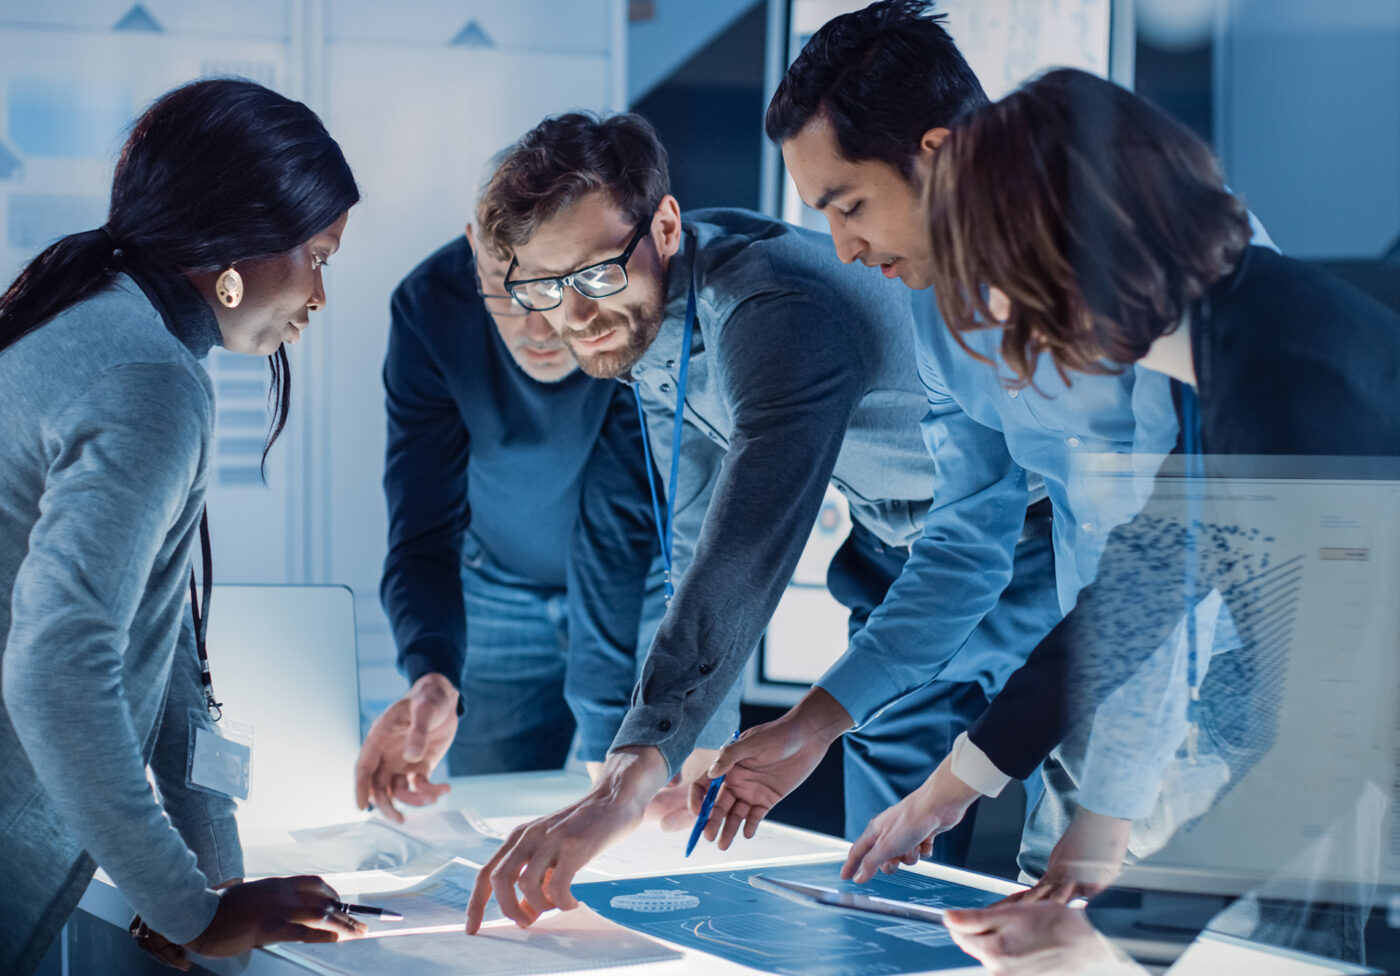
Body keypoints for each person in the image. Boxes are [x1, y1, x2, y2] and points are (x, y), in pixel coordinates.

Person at [690, 0, 1253, 886]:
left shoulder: (1151, 254)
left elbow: (1172, 565)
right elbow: (960, 548)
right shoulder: (933, 306)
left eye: (850, 207)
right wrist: (816, 722)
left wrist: (977, 782)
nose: (842, 250)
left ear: (938, 154)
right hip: (1088, 688)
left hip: (1246, 689)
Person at [462, 108, 1056, 932]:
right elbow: (697, 526)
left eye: (595, 274)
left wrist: (632, 771)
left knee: (1066, 852)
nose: (574, 316)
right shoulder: (641, 316)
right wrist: (696, 738)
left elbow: (748, 543)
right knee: (880, 892)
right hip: (892, 558)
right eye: (544, 288)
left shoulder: (770, 306)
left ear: (664, 225)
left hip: (1031, 548)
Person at [872, 68, 1400, 968]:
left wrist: (1108, 935)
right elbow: (1138, 588)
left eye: (991, 276)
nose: (993, 318)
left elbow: (1328, 740)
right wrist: (954, 787)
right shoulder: (1223, 352)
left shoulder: (1286, 372)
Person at [0, 78, 362, 974]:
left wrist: (213, 901)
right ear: (237, 247)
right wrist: (193, 909)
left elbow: (165, 668)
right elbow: (55, 672)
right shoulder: (149, 381)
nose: (320, 295)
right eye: (317, 255)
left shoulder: (99, 325)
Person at [354, 164, 739, 826]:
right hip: (495, 590)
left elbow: (614, 529)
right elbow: (421, 528)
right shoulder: (429, 306)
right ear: (472, 249)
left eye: (547, 290)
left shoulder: (614, 302)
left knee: (658, 813)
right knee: (491, 822)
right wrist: (432, 674)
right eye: (506, 297)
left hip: (641, 583)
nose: (538, 328)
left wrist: (608, 754)